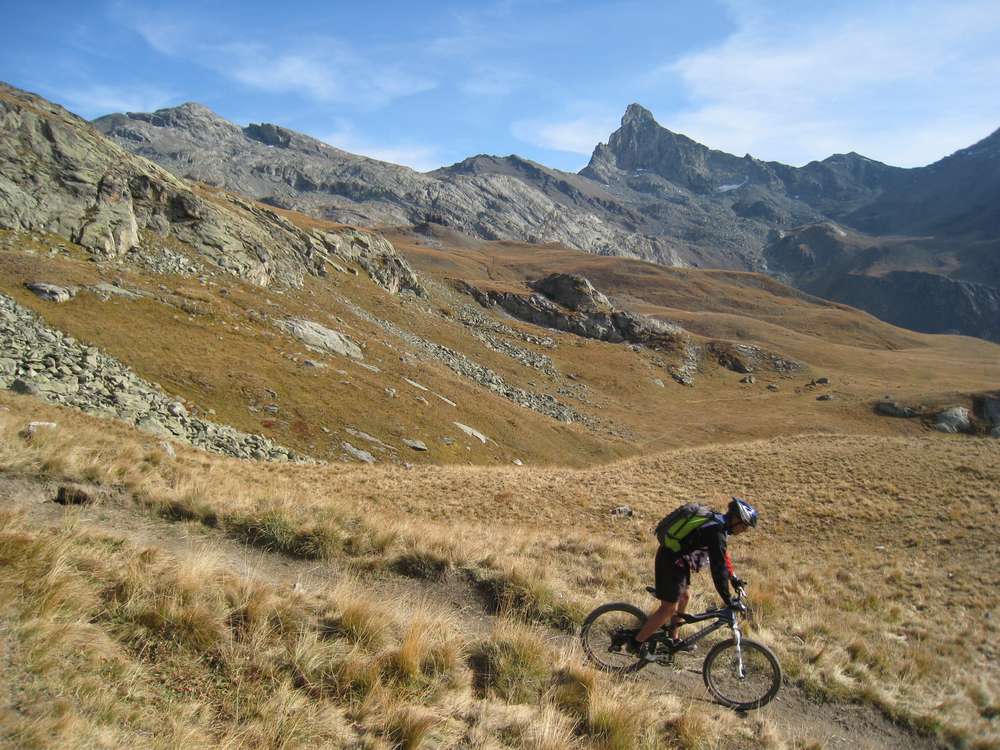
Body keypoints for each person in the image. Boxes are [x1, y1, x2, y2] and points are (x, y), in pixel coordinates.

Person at [630, 497, 757, 658]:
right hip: (670, 561)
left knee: (685, 597)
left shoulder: (720, 525)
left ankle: (673, 639)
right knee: (669, 608)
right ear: (737, 519)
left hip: (678, 562)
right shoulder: (717, 531)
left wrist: (734, 578)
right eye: (745, 526)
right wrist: (727, 598)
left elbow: (723, 557)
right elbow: (717, 569)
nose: (745, 531)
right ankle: (636, 643)